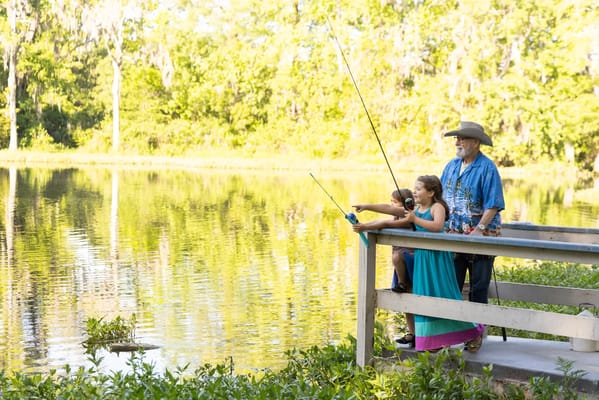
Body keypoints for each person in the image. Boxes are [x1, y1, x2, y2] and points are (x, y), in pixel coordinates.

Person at [400, 175, 484, 352]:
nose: (414, 191)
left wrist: (415, 220)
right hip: (423, 257)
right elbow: (391, 210)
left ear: (431, 192)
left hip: (437, 257)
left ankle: (473, 332)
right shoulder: (416, 208)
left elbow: (437, 226)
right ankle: (432, 340)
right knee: (424, 294)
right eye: (414, 188)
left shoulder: (437, 207)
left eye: (419, 188)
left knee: (444, 294)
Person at [440, 121, 505, 305]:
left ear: (476, 142)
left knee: (478, 289)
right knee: (452, 287)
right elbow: (439, 197)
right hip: (454, 237)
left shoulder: (487, 167)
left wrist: (479, 229)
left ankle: (478, 333)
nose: (457, 143)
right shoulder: (451, 166)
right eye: (456, 138)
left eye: (462, 139)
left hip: (481, 238)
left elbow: (493, 205)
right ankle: (456, 332)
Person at [352, 188, 416, 346]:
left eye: (394, 202)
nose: (391, 205)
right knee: (407, 298)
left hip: (410, 261)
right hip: (401, 265)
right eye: (392, 201)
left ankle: (421, 333)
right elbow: (382, 217)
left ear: (405, 204)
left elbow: (385, 218)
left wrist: (365, 225)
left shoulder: (407, 214)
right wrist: (365, 222)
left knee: (413, 293)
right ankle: (412, 332)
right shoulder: (397, 215)